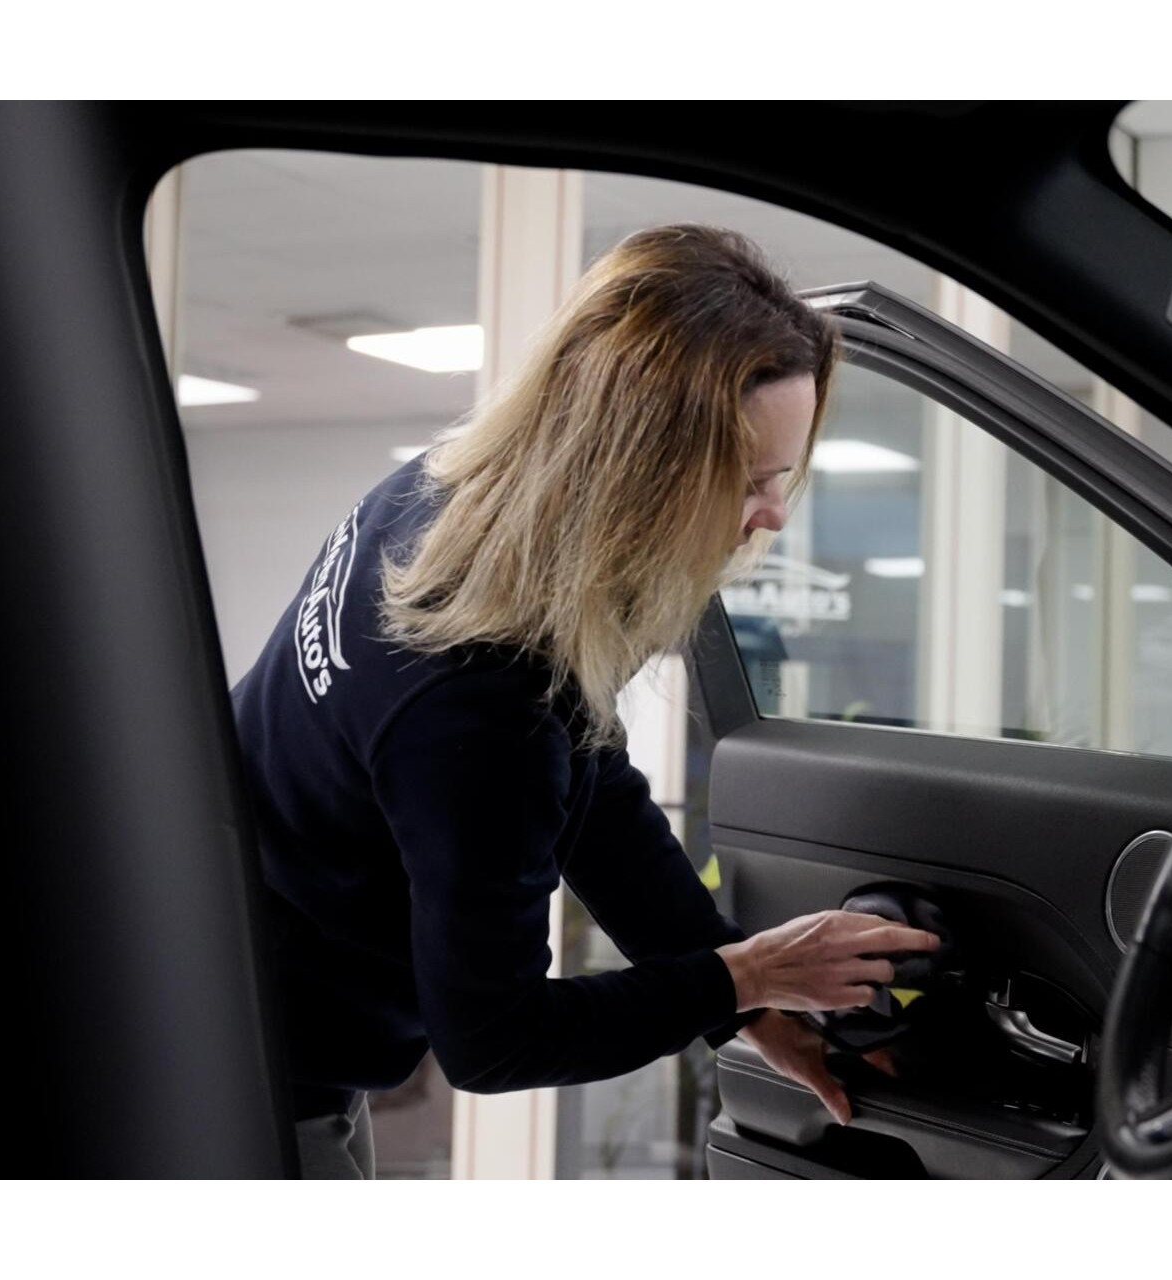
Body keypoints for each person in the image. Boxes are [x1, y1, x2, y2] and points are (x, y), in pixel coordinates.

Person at [231, 224, 942, 1178]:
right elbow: (497, 1039)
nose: (775, 514)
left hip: (238, 984)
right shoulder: (479, 695)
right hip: (238, 1068)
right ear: (640, 473)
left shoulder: (444, 500)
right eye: (751, 483)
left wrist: (743, 1005)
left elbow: (591, 790)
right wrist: (745, 974)